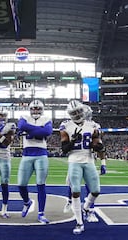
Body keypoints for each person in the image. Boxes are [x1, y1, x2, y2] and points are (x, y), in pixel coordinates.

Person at [59, 100, 105, 234]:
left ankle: (85, 207)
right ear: (70, 114)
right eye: (74, 113)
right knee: (75, 192)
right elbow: (64, 149)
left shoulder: (92, 125)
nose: (78, 114)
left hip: (89, 160)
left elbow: (96, 145)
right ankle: (79, 223)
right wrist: (73, 140)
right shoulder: (65, 126)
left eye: (79, 111)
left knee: (96, 191)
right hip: (74, 160)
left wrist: (98, 146)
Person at [17, 99, 53, 224]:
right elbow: (21, 126)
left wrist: (29, 132)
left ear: (42, 110)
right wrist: (39, 131)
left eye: (38, 109)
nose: (36, 111)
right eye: (34, 108)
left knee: (41, 185)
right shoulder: (24, 116)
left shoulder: (47, 118)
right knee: (21, 184)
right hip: (27, 154)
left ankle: (41, 214)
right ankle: (27, 202)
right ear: (30, 109)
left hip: (41, 154)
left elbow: (47, 132)